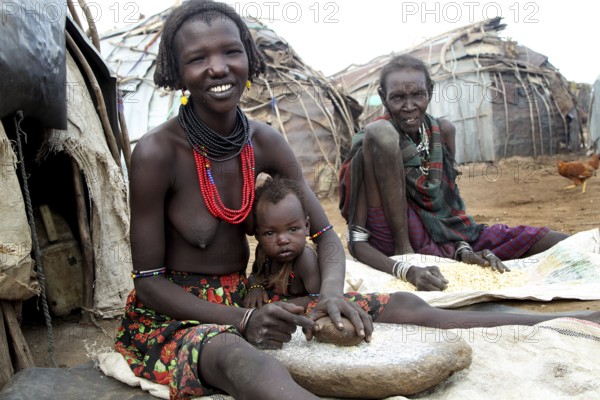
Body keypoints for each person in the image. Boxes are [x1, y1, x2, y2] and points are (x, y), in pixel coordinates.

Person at [114, 4, 599, 398]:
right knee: (240, 360)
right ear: (176, 72)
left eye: (230, 52)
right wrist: (241, 320)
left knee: (405, 305)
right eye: (198, 58)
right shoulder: (158, 154)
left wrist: (329, 296)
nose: (218, 67)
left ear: (249, 60)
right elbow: (150, 284)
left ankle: (567, 320)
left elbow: (325, 236)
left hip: (245, 296)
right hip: (177, 314)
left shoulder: (265, 142)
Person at [339, 54, 569, 291]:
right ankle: (405, 248)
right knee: (381, 131)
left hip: (445, 241)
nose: (409, 107)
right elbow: (357, 244)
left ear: (430, 90)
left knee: (552, 240)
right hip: (394, 249)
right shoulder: (375, 142)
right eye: (398, 97)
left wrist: (463, 250)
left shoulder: (442, 132)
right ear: (383, 98)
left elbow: (449, 212)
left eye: (418, 95)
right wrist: (407, 267)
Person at [244, 176, 321, 310]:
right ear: (258, 236)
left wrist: (279, 307)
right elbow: (255, 276)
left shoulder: (305, 259)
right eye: (270, 233)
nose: (282, 240)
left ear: (307, 226)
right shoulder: (263, 252)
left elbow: (318, 298)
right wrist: (255, 288)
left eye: (292, 229)